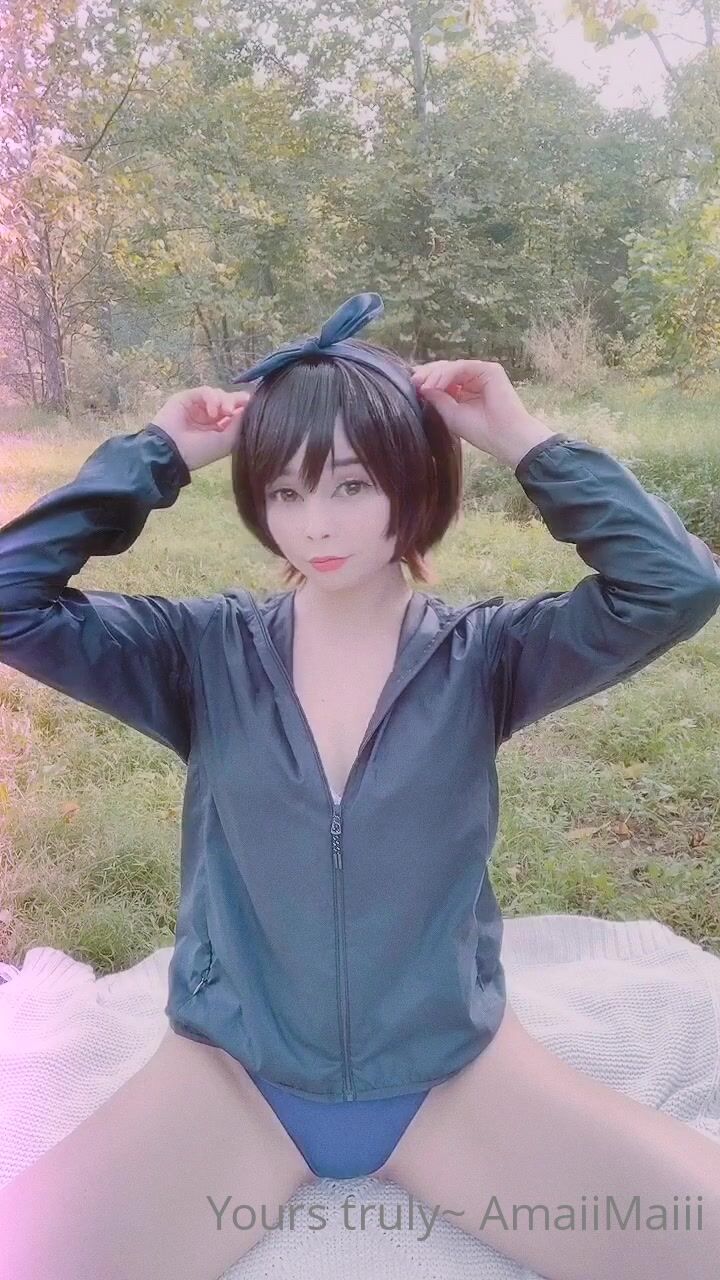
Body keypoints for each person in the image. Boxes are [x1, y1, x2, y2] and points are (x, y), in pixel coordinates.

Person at [0, 292, 719, 1280]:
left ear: (411, 483)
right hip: (233, 1079)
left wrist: (520, 438)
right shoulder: (198, 654)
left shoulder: (487, 657)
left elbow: (674, 585)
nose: (316, 524)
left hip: (453, 1079)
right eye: (286, 492)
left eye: (350, 484)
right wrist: (155, 454)